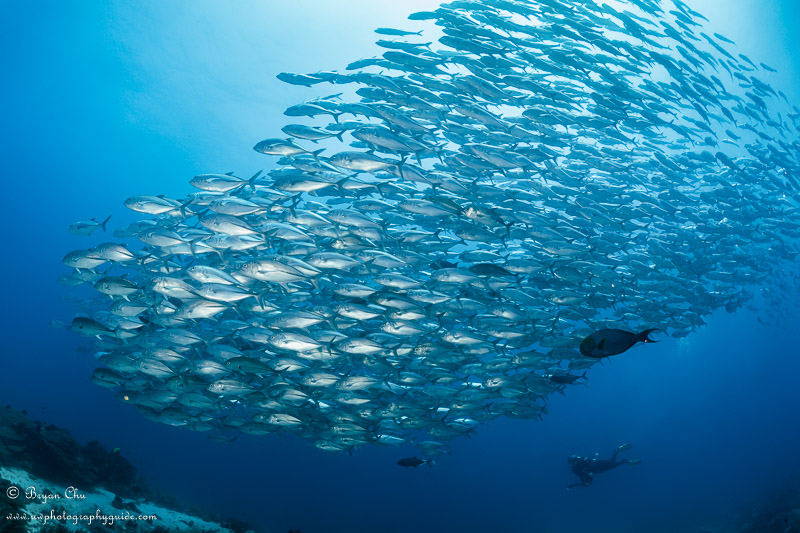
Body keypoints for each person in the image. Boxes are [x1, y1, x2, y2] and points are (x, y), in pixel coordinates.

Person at [567, 443, 640, 489]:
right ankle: (617, 452)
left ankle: (623, 459)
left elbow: (583, 478)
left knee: (612, 464)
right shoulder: (579, 460)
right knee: (612, 463)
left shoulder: (575, 469)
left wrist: (580, 484)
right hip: (596, 462)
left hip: (597, 469)